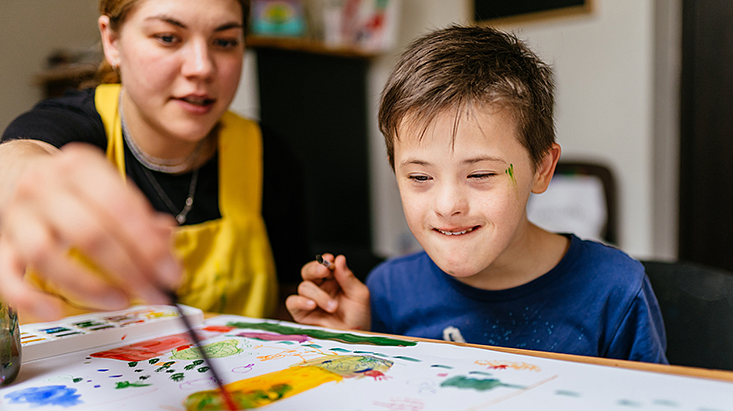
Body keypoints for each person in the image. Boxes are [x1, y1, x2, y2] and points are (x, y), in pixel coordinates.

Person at [286, 25, 667, 363]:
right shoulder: (387, 291)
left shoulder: (614, 290)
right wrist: (353, 345)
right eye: (419, 177)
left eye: (481, 174)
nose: (448, 205)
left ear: (541, 168)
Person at [0, 0, 308, 322]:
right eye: (168, 38)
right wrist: (29, 179)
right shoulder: (70, 126)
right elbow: (19, 157)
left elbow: (283, 306)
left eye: (224, 42)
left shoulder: (268, 155)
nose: (201, 67)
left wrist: (317, 317)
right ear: (113, 42)